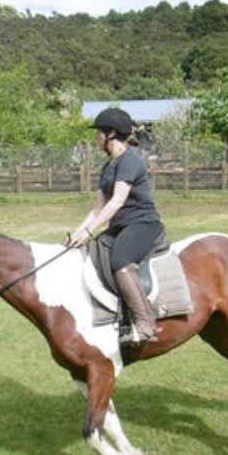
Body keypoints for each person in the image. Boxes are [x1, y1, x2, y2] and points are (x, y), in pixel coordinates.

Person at [69, 107, 164, 344]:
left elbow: (117, 201)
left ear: (110, 134)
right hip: (121, 226)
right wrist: (79, 233)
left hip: (143, 223)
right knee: (90, 250)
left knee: (120, 262)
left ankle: (145, 322)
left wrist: (91, 230)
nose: (96, 137)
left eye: (99, 133)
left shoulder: (130, 161)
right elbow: (98, 208)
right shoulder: (108, 166)